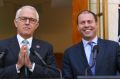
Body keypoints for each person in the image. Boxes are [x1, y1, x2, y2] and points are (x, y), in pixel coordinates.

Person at [0, 5, 59, 78]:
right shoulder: (2, 46)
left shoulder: (46, 47)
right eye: (23, 18)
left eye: (32, 20)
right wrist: (17, 66)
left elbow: (55, 75)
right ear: (16, 22)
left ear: (36, 25)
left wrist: (31, 66)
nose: (27, 22)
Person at [62, 10, 120, 79]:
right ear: (77, 27)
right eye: (82, 23)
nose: (86, 25)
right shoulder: (69, 53)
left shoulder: (113, 47)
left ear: (96, 24)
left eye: (89, 21)